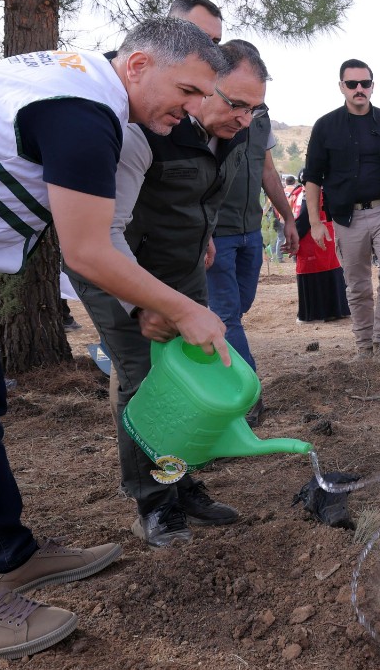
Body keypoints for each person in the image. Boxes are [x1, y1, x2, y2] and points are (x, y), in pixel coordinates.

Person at [0, 18, 230, 657]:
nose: (191, 111)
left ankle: (11, 555)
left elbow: (95, 241)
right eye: (186, 91)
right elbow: (88, 249)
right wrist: (184, 310)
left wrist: (142, 304)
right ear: (138, 66)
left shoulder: (81, 87)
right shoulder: (82, 111)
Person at [70, 39, 268, 548]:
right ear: (202, 88)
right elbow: (104, 234)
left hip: (181, 273)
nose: (244, 119)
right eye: (233, 104)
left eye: (254, 109)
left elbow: (209, 194)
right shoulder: (143, 134)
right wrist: (145, 304)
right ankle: (153, 504)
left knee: (189, 382)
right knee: (146, 381)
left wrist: (201, 243)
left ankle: (179, 480)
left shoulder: (232, 133)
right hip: (121, 274)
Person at [304, 59, 380, 364]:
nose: (359, 89)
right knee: (357, 286)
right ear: (341, 86)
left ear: (372, 86)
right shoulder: (325, 126)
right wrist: (316, 223)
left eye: (365, 83)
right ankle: (364, 347)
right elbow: (313, 178)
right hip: (347, 216)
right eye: (352, 84)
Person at [206, 61, 297, 416]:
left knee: (235, 312)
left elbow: (268, 172)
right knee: (228, 316)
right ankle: (247, 397)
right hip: (217, 235)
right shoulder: (210, 115)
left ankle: (213, 367)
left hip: (250, 233)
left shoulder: (260, 120)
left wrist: (287, 217)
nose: (245, 112)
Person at [293, 179, 350, 323]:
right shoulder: (332, 191)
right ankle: (337, 310)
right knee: (333, 272)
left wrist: (294, 237)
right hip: (329, 237)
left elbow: (304, 219)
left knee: (312, 273)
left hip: (311, 241)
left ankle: (315, 314)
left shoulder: (308, 194)